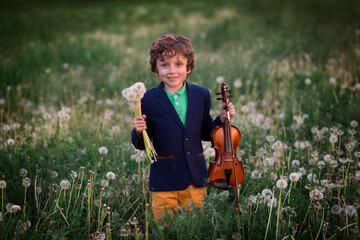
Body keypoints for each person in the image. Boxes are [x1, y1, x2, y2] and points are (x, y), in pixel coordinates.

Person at [131, 34, 236, 222]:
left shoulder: (201, 95)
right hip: (164, 180)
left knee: (195, 228)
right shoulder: (147, 99)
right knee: (165, 229)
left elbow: (205, 132)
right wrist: (139, 131)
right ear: (156, 69)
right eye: (164, 65)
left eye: (178, 64)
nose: (172, 71)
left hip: (195, 179)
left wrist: (221, 119)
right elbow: (142, 144)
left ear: (188, 67)